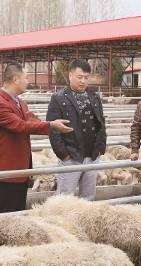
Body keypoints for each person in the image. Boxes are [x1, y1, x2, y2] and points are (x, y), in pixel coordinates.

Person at [0, 62, 72, 214]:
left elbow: (31, 121)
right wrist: (51, 125)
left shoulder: (20, 102)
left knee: (19, 214)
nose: (28, 81)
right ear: (15, 79)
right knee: (2, 217)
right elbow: (20, 126)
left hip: (20, 170)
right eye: (25, 78)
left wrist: (55, 127)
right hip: (7, 172)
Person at [47, 59, 107, 201]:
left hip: (92, 155)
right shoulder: (58, 98)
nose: (83, 81)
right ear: (70, 75)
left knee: (88, 197)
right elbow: (53, 129)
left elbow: (101, 122)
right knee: (65, 198)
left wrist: (101, 146)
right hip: (71, 156)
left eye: (86, 78)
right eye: (79, 77)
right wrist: (64, 155)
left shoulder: (94, 97)